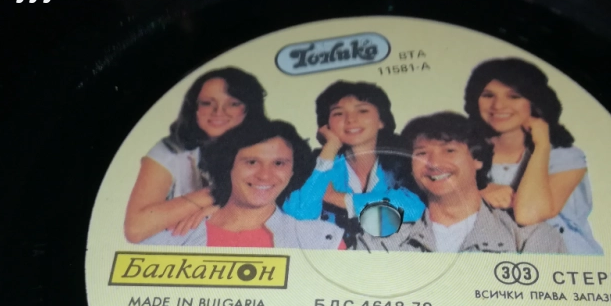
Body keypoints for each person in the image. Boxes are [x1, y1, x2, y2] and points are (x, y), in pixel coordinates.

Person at [354, 112, 566, 253]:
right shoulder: (381, 239)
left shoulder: (531, 237)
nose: (434, 163)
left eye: (449, 151)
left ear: (477, 159)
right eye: (421, 153)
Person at [464, 58, 603, 254]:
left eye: (514, 96)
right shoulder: (462, 151)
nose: (498, 105)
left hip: (564, 260)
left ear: (534, 101)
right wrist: (479, 192)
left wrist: (542, 146)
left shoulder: (566, 157)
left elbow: (529, 214)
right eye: (488, 95)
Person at [142, 120, 344, 249]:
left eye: (278, 163)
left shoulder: (323, 240)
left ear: (292, 171)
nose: (265, 175)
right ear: (228, 165)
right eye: (252, 162)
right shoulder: (172, 236)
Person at [124, 67, 266, 243]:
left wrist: (228, 209)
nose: (218, 111)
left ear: (249, 109)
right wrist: (218, 195)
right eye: (207, 103)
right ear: (194, 108)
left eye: (233, 103)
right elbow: (136, 229)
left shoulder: (271, 149)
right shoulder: (170, 150)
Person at [281, 81, 425, 242]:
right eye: (338, 113)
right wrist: (330, 147)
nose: (350, 119)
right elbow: (298, 215)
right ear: (327, 124)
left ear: (381, 120)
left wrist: (337, 198)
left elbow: (416, 208)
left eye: (362, 111)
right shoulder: (319, 164)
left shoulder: (403, 161)